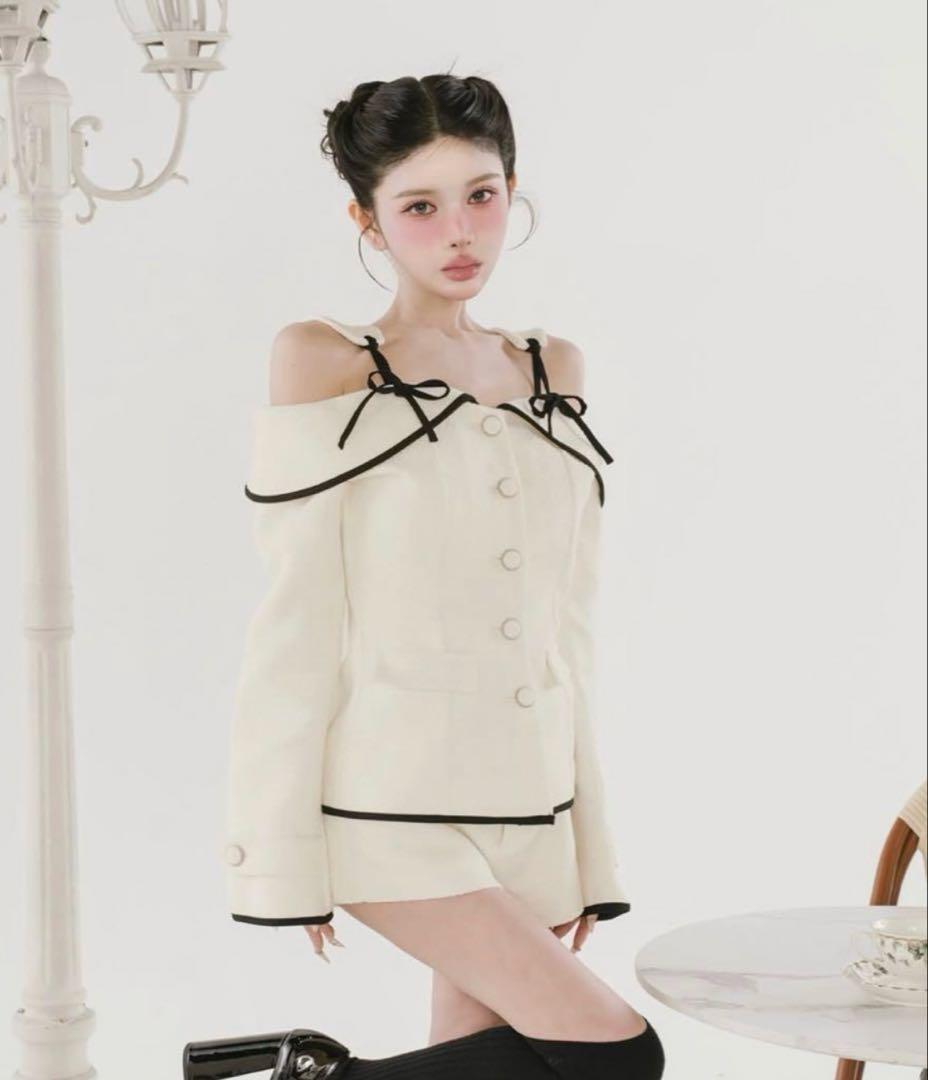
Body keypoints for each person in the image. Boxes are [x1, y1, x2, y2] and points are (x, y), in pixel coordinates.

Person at [185, 73, 665, 1080]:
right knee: (617, 1059)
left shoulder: (553, 366)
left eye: (481, 195)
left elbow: (566, 627)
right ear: (366, 220)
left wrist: (586, 844)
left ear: (512, 192)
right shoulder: (324, 360)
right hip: (384, 808)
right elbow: (295, 620)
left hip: (527, 802)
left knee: (507, 1064)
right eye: (419, 206)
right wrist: (279, 853)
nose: (459, 232)